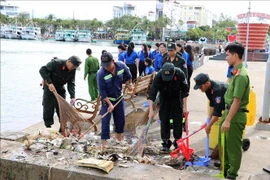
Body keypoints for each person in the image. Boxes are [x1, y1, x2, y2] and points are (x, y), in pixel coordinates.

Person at [220, 42, 250, 179]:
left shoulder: (242, 76)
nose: (226, 58)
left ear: (235, 55)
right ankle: (226, 168)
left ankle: (232, 174)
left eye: (227, 55)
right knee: (224, 145)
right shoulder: (235, 72)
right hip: (229, 112)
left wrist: (227, 120)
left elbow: (237, 101)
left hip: (235, 115)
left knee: (233, 147)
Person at [148, 63, 189, 153]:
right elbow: (152, 94)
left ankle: (177, 141)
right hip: (164, 99)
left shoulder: (180, 74)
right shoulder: (158, 76)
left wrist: (185, 107)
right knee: (164, 120)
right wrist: (151, 110)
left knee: (177, 121)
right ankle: (166, 142)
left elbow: (185, 91)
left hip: (176, 99)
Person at [96, 52, 133, 150]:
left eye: (108, 65)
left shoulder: (121, 66)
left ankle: (119, 139)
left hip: (119, 98)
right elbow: (102, 92)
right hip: (107, 100)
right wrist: (109, 104)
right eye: (104, 66)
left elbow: (129, 76)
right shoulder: (100, 74)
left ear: (113, 61)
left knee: (120, 119)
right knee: (105, 121)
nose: (106, 67)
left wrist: (130, 84)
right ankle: (104, 143)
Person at [39, 56, 82, 129]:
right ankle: (48, 126)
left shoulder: (72, 69)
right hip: (50, 87)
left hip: (60, 87)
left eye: (75, 67)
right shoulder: (56, 63)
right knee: (48, 106)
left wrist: (72, 96)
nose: (73, 68)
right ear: (68, 61)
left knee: (62, 107)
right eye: (73, 66)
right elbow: (42, 70)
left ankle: (62, 125)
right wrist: (50, 83)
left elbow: (71, 82)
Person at [193, 73, 228, 138]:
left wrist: (209, 125)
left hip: (233, 106)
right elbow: (212, 104)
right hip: (224, 105)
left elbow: (217, 112)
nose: (200, 89)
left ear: (207, 83)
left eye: (200, 87)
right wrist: (209, 120)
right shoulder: (207, 89)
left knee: (226, 128)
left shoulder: (217, 90)